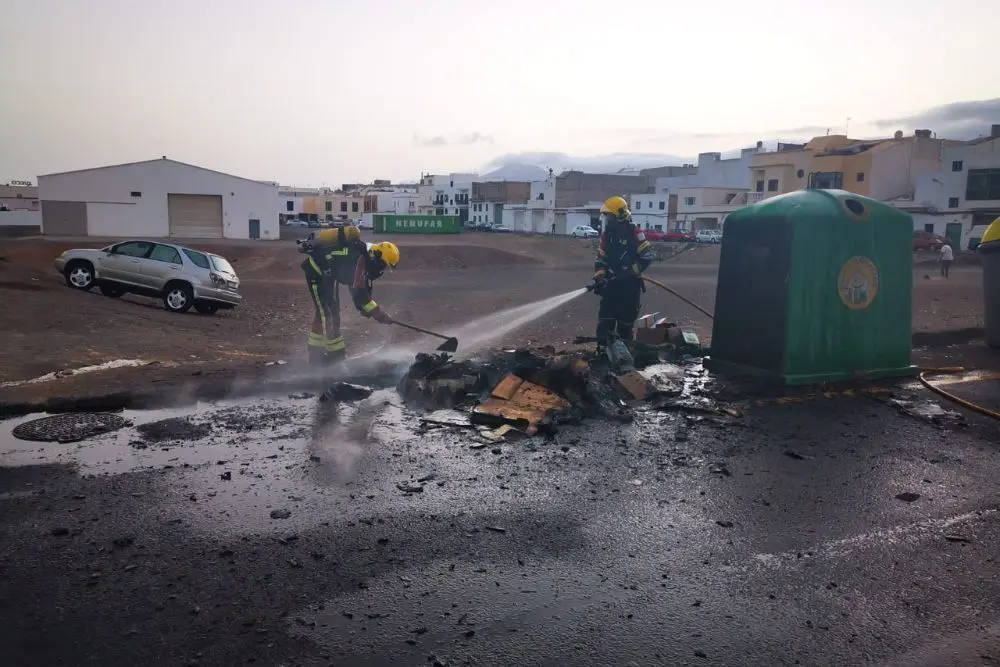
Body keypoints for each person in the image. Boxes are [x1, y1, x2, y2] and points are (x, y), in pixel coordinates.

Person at [297, 225, 399, 364]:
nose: (381, 269)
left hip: (327, 275)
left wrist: (371, 311)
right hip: (317, 272)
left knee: (326, 312)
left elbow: (358, 292)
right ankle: (334, 357)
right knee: (329, 314)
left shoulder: (362, 257)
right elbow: (361, 296)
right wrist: (378, 314)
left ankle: (315, 352)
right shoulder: (360, 259)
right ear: (377, 255)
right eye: (382, 265)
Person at [591, 195, 653, 351]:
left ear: (620, 216)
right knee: (605, 324)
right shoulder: (607, 236)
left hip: (629, 290)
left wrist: (628, 274)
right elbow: (600, 259)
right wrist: (600, 279)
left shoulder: (634, 233)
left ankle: (623, 361)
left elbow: (646, 257)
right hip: (611, 289)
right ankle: (603, 356)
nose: (606, 221)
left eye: (609, 217)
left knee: (625, 329)